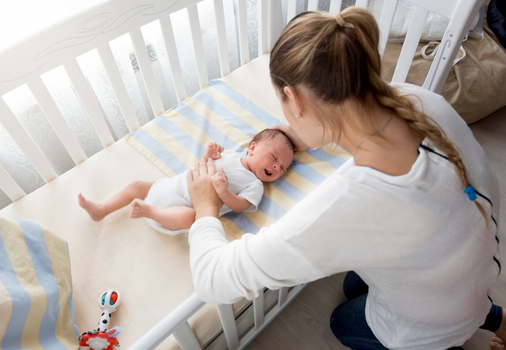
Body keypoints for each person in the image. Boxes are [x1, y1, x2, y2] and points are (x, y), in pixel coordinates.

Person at [186, 7, 503, 350]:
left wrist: (206, 207)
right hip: (471, 268)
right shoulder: (418, 100)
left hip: (430, 324)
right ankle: (493, 317)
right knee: (354, 284)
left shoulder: (349, 204)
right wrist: (295, 133)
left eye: (281, 101)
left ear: (294, 98)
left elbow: (212, 279)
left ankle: (455, 339)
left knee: (341, 321)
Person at [78, 129, 294, 235]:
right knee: (137, 186)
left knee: (193, 218)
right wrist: (208, 155)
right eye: (274, 158)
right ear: (253, 147)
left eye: (282, 168)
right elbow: (202, 167)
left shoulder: (255, 185)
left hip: (178, 211)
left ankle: (149, 211)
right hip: (172, 186)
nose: (277, 167)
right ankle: (102, 209)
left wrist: (224, 192)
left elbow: (241, 206)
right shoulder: (229, 154)